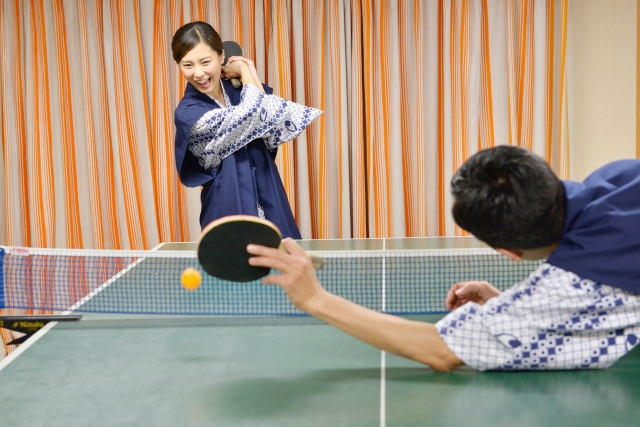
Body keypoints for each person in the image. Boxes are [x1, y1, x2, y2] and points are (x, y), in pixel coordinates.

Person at [247, 146, 640, 371]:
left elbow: (441, 350)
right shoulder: (621, 175)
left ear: (507, 252)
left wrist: (315, 299)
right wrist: (509, 306)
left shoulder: (577, 281)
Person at [172, 22, 322, 237]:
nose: (198, 73)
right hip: (226, 200)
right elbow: (255, 114)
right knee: (233, 256)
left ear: (221, 56)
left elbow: (273, 118)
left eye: (205, 62)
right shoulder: (189, 113)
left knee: (283, 254)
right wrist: (245, 70)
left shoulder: (240, 91)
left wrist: (248, 77)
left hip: (268, 190)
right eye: (188, 65)